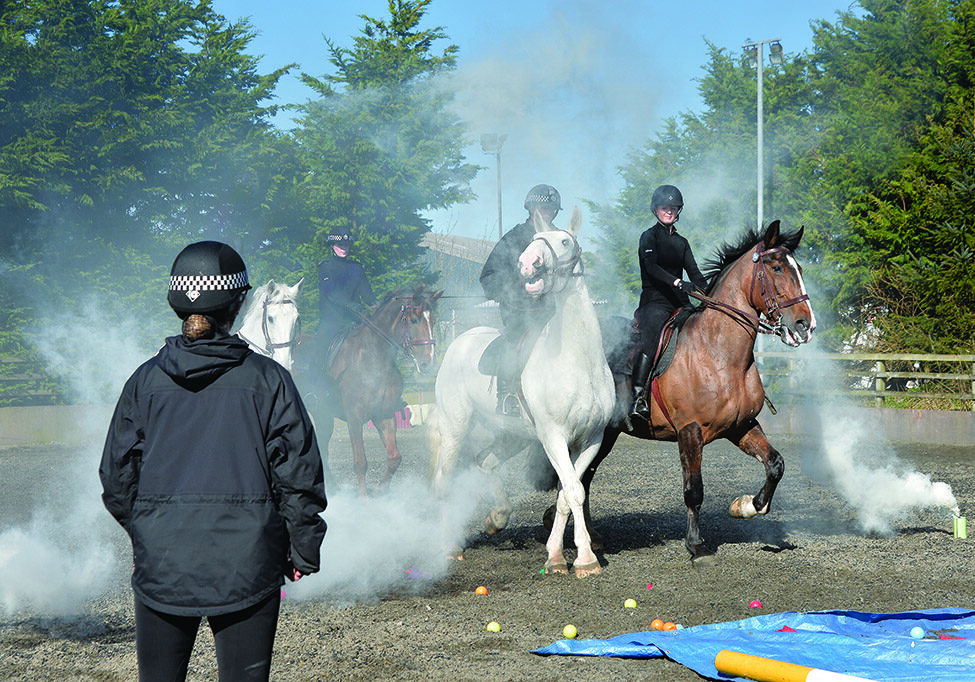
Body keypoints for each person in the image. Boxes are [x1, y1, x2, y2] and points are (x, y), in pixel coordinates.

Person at [100, 241, 327, 682]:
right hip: (249, 566)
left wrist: (148, 530)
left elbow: (116, 478)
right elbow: (298, 473)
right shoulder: (270, 381)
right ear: (238, 305)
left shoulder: (143, 382)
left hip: (162, 566)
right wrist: (303, 549)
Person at [479, 183, 560, 416]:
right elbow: (489, 278)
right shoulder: (513, 238)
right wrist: (520, 290)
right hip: (520, 312)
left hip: (552, 310)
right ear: (530, 209)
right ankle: (506, 396)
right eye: (541, 209)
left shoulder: (557, 238)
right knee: (516, 339)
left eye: (550, 210)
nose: (545, 214)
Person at [631, 184, 709, 419]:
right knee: (653, 337)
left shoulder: (682, 242)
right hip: (655, 302)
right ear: (656, 210)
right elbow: (651, 268)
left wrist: (711, 294)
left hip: (681, 303)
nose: (669, 211)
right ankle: (637, 399)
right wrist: (677, 282)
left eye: (673, 208)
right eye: (665, 207)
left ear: (678, 211)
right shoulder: (649, 236)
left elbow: (694, 274)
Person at [317, 231, 376, 352]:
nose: (344, 248)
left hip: (355, 319)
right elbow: (330, 293)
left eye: (346, 245)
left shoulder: (357, 267)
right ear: (332, 246)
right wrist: (349, 304)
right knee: (320, 349)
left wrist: (377, 304)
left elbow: (367, 294)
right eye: (340, 245)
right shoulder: (325, 267)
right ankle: (315, 371)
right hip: (332, 320)